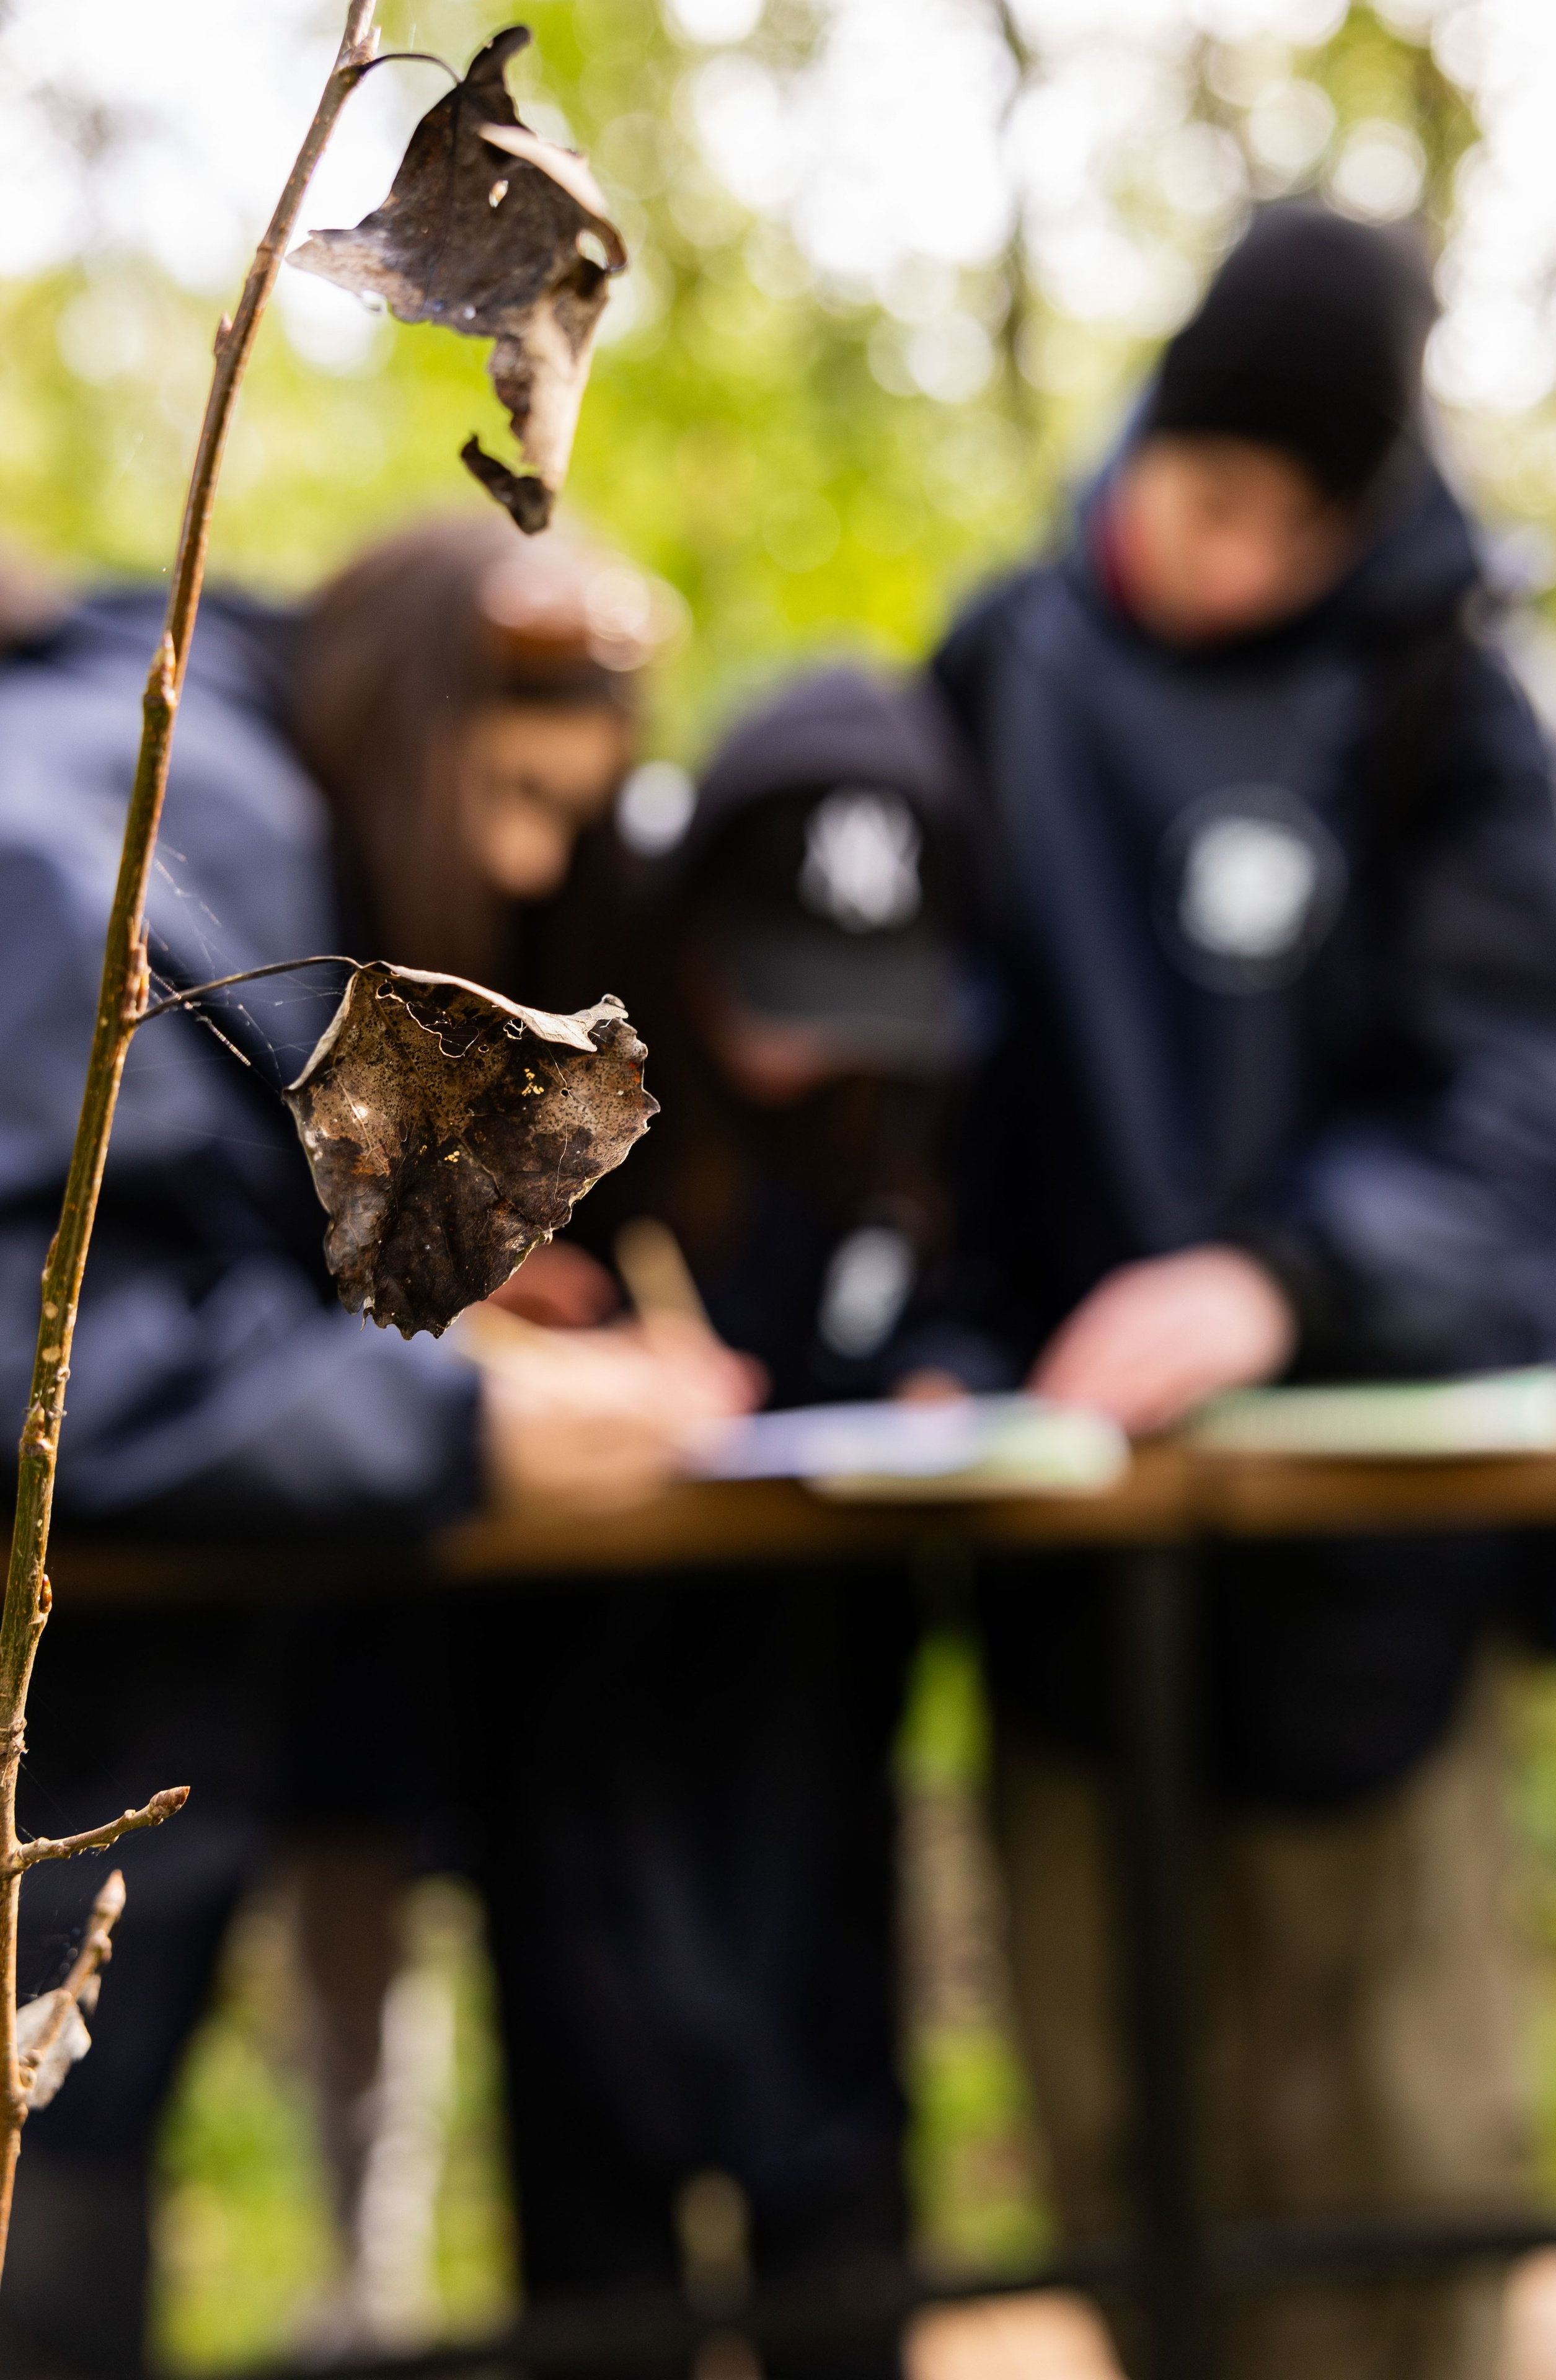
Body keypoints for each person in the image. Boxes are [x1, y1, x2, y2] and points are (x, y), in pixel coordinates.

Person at [932, 201, 1556, 2380]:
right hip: (1067, 1607)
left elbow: (1533, 1119)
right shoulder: (999, 668)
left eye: (1302, 522)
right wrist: (917, 1351)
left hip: (1361, 1612)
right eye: (1218, 494)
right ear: (1158, 438)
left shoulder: (1447, 702)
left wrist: (1285, 1280)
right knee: (1136, 2184)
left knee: (1399, 2184)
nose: (1241, 558)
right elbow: (906, 1100)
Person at [0, 509, 718, 2374]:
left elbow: (151, 1232)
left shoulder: (188, 796)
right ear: (408, 716)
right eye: (511, 790)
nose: (521, 857)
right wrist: (444, 1429)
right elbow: (40, 1337)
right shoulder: (134, 818)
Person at [454, 666, 999, 2380]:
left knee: (840, 2209)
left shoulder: (913, 1104)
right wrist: (506, 1323)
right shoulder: (554, 1047)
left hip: (820, 1736)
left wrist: (941, 1383)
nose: (798, 1039)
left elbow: (976, 1292)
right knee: (598, 2238)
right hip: (578, 1747)